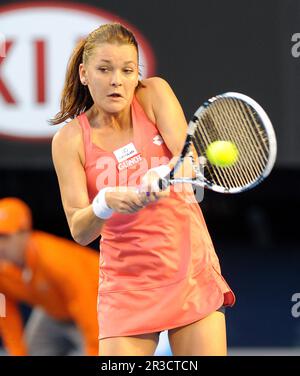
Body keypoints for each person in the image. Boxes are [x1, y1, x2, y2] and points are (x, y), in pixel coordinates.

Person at [51, 23, 235, 356]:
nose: (116, 80)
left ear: (138, 73)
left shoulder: (153, 94)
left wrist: (163, 172)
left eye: (127, 70)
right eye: (104, 69)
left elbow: (189, 161)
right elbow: (79, 230)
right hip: (125, 287)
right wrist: (106, 202)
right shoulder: (69, 141)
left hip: (188, 268)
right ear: (84, 73)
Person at [0, 197, 99, 356]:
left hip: (96, 308)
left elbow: (88, 307)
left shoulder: (54, 260)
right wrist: (17, 352)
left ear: (25, 232)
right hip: (54, 311)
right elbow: (5, 313)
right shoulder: (2, 271)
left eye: (4, 237)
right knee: (31, 351)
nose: (0, 245)